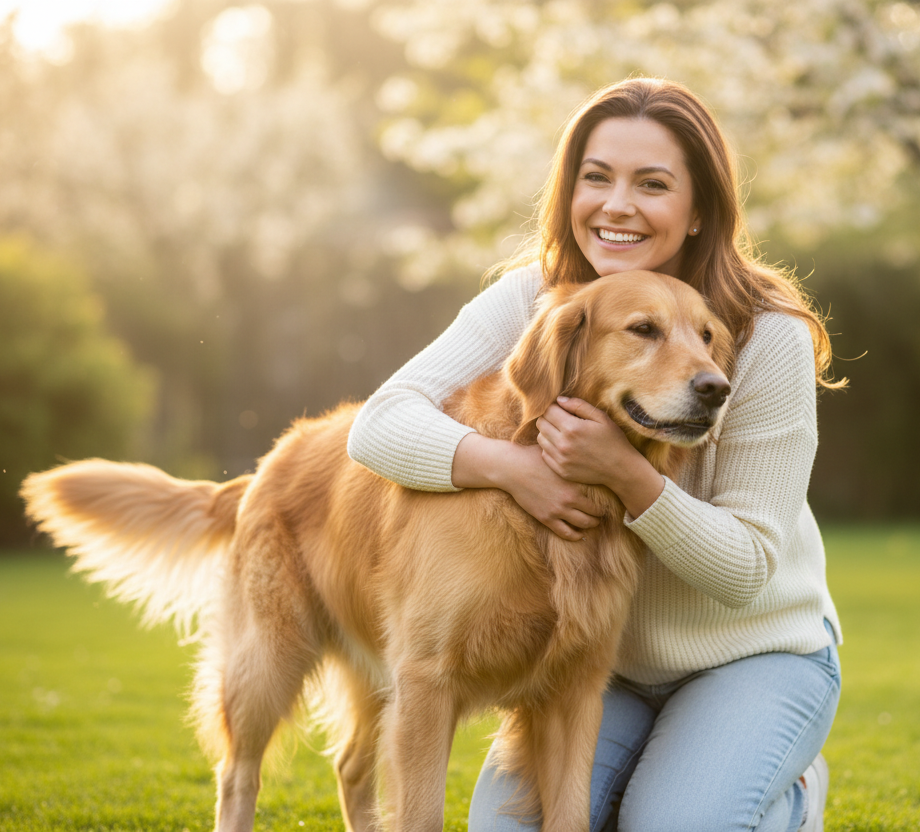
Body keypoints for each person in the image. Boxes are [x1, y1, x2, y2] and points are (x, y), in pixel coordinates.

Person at [346, 77, 843, 832]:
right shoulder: (535, 301)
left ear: (699, 208)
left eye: (652, 184)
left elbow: (744, 572)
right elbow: (379, 424)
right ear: (569, 190)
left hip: (752, 656)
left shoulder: (765, 335)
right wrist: (514, 467)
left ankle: (794, 794)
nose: (618, 205)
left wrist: (624, 472)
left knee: (675, 825)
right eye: (596, 177)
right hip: (598, 669)